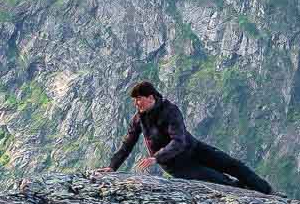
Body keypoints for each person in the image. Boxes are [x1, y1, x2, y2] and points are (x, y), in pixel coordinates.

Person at [97, 81, 276, 194]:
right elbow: (127, 145)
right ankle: (254, 196)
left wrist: (155, 157)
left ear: (151, 97)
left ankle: (267, 192)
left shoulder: (170, 110)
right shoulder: (138, 119)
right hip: (177, 165)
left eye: (139, 99)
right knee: (221, 181)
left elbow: (179, 140)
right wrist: (112, 167)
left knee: (234, 165)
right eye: (135, 100)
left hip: (193, 149)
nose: (136, 104)